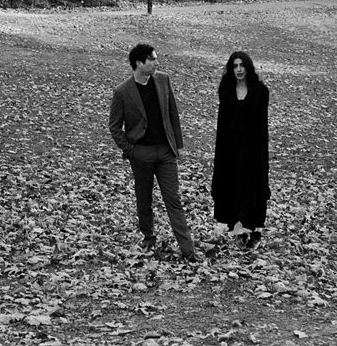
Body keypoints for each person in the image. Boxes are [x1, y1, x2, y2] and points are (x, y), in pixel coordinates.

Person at [109, 43, 199, 263]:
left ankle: (188, 250)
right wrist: (131, 151)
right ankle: (148, 237)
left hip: (166, 152)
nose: (157, 62)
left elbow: (172, 113)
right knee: (144, 199)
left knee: (173, 199)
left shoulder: (163, 80)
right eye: (152, 59)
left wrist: (178, 145)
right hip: (141, 154)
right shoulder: (122, 91)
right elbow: (114, 126)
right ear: (139, 63)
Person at [211, 50, 270, 249]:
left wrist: (262, 154)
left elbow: (262, 126)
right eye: (235, 66)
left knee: (252, 188)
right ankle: (237, 227)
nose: (238, 70)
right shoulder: (226, 90)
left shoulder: (260, 91)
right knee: (233, 187)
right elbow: (223, 123)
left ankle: (253, 229)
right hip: (230, 149)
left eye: (242, 65)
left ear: (248, 67)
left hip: (253, 149)